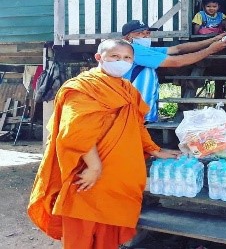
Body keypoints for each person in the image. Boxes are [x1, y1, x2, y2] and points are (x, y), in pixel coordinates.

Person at [27, 39, 180, 249]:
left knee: (107, 236)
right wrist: (94, 166)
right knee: (81, 232)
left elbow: (136, 124)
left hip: (115, 179)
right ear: (99, 58)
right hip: (88, 174)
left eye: (127, 58)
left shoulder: (127, 88)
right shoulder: (83, 87)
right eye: (115, 57)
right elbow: (75, 131)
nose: (122, 61)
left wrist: (155, 149)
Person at [122, 20, 226, 122]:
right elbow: (177, 62)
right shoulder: (134, 49)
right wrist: (210, 50)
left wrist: (213, 39)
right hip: (133, 112)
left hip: (139, 112)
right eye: (140, 33)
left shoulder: (144, 49)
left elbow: (177, 49)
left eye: (147, 33)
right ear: (127, 38)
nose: (145, 36)